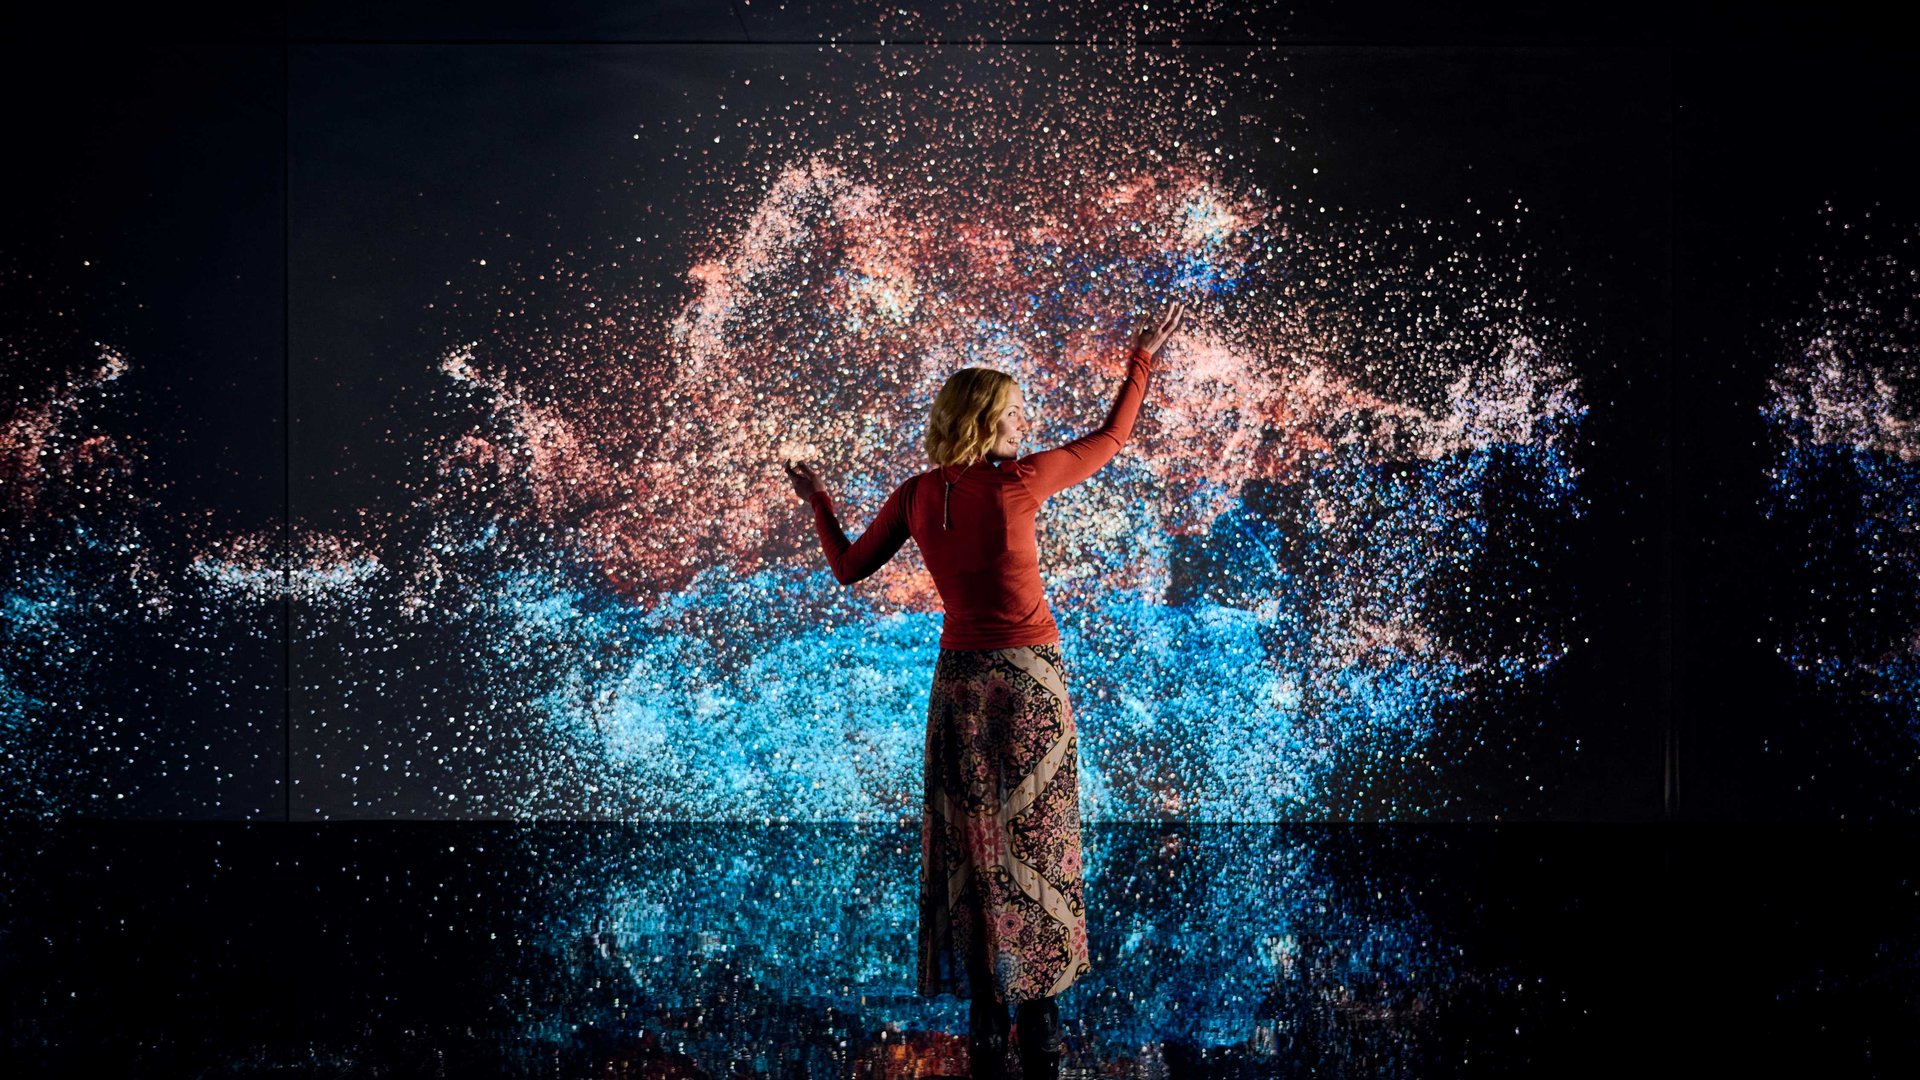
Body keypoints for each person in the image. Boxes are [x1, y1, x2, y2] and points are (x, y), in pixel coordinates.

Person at [781, 300, 1185, 1079]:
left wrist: (820, 503)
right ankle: (1042, 1021)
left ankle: (987, 1019)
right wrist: (1139, 361)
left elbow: (848, 569)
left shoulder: (915, 495)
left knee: (975, 843)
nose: (1024, 422)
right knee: (1039, 839)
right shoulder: (1020, 482)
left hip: (960, 686)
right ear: (984, 419)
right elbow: (1112, 438)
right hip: (1029, 680)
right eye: (1013, 411)